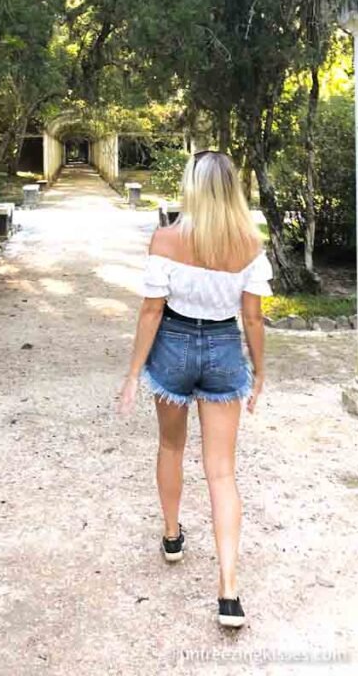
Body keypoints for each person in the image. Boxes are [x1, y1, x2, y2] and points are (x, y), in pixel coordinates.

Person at [116, 149, 273, 628]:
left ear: (193, 188)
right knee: (222, 473)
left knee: (170, 445)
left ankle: (171, 536)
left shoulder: (166, 238)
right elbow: (251, 317)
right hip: (225, 349)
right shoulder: (249, 243)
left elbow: (151, 312)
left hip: (174, 347)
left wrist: (131, 375)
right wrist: (260, 370)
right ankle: (229, 591)